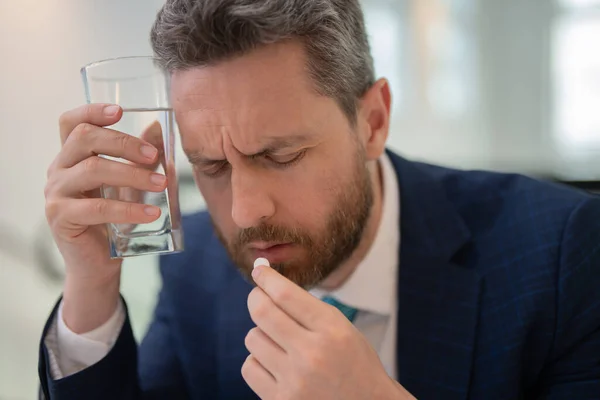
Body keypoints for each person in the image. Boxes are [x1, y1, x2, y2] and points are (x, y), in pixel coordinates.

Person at [38, 0, 600, 399]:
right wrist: (90, 284)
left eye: (279, 157)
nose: (243, 212)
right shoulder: (199, 272)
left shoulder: (557, 256)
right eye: (211, 167)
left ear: (373, 121)